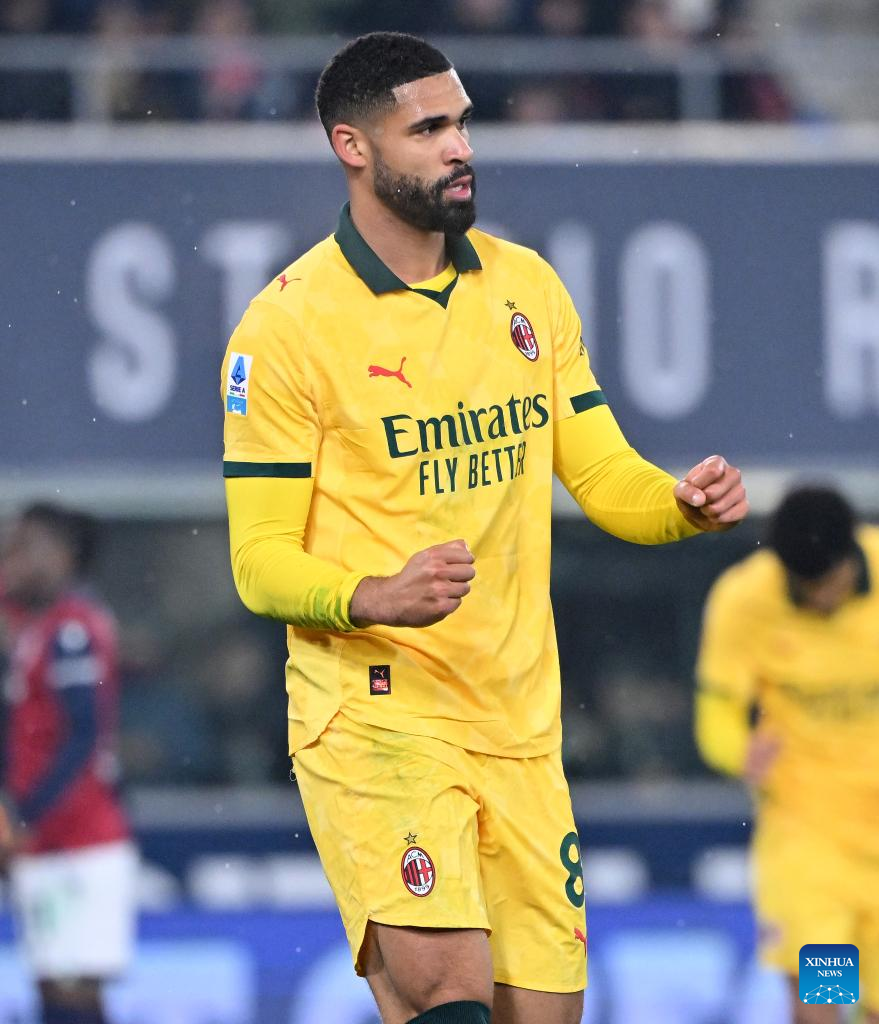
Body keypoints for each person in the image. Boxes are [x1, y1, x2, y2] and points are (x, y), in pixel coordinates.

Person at [222, 31, 748, 1024]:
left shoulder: (525, 288)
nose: (460, 147)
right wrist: (374, 595)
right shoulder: (284, 331)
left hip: (518, 725)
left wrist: (678, 506)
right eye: (428, 130)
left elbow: (605, 476)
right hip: (378, 715)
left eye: (461, 123)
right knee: (447, 996)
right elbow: (258, 563)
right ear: (353, 147)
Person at [695, 486, 879, 1023]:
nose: (819, 598)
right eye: (806, 586)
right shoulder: (746, 599)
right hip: (807, 835)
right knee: (823, 997)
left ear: (853, 553)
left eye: (829, 582)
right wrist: (739, 752)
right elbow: (716, 711)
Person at [0, 504, 136, 1024]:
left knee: (73, 994)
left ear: (61, 556)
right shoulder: (38, 627)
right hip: (46, 841)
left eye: (23, 546)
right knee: (52, 989)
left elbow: (82, 740)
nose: (11, 557)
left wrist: (22, 817)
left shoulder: (72, 630)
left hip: (80, 841)